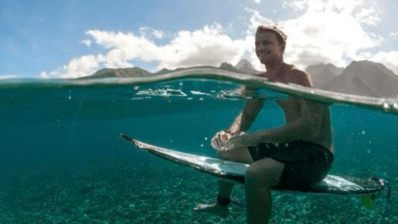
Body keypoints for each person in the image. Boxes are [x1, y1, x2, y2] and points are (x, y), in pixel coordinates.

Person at [193, 25, 334, 224]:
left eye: (266, 43)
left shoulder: (297, 76)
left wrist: (257, 137)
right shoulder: (259, 82)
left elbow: (310, 128)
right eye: (257, 43)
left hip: (316, 155)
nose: (260, 48)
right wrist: (229, 133)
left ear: (282, 46)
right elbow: (246, 117)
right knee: (225, 151)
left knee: (255, 174)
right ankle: (221, 206)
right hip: (291, 147)